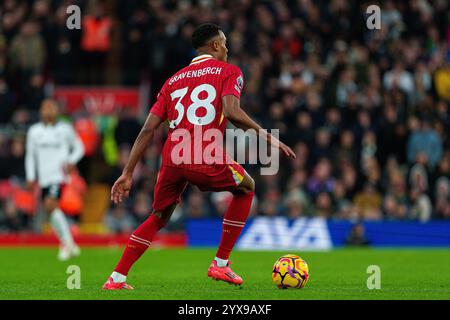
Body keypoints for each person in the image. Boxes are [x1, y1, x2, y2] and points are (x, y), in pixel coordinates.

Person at [102, 23, 296, 290]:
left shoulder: (172, 80)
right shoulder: (230, 72)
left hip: (172, 157)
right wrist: (267, 136)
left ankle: (116, 278)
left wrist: (127, 172)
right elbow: (232, 111)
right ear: (215, 45)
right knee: (247, 187)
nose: (227, 48)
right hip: (202, 151)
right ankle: (221, 263)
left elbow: (148, 128)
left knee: (159, 216)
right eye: (225, 42)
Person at [25, 99, 84, 261]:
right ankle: (69, 243)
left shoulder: (65, 130)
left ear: (57, 111)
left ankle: (67, 244)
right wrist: (31, 177)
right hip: (43, 178)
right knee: (51, 212)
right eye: (45, 108)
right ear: (40, 111)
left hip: (59, 176)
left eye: (52, 108)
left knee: (51, 205)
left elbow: (80, 147)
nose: (49, 112)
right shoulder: (34, 132)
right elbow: (30, 156)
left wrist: (71, 160)